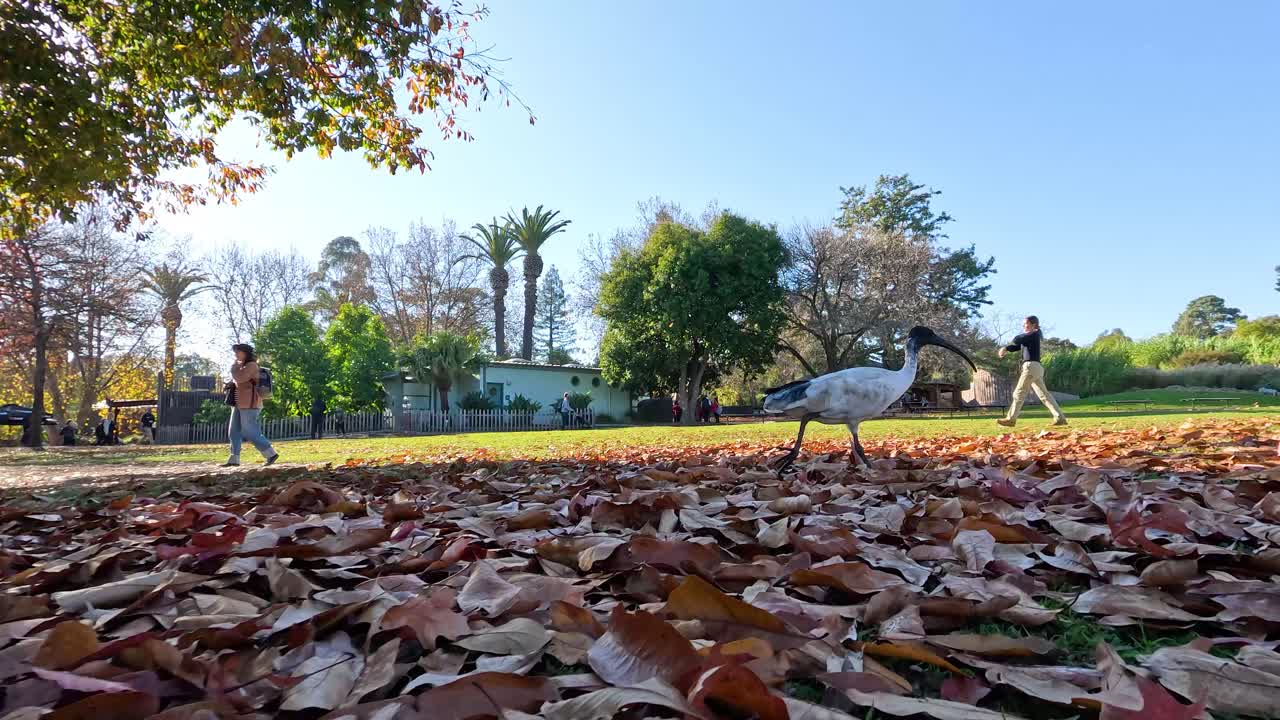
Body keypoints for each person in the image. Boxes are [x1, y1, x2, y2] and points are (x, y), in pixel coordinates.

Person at [997, 315, 1068, 427]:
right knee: (1044, 395)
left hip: (1031, 366)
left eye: (1025, 324)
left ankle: (1011, 419)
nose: (1023, 326)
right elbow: (1017, 346)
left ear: (1033, 324)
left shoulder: (1034, 334)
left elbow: (1016, 340)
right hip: (1036, 367)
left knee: (1019, 393)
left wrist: (1007, 346)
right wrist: (1006, 349)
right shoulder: (1032, 336)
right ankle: (1060, 418)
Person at [225, 343, 279, 466]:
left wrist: (233, 367)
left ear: (246, 353)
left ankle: (270, 453)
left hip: (250, 403)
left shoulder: (252, 365)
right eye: (235, 352)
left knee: (249, 431)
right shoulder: (242, 366)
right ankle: (234, 458)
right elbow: (238, 380)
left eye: (238, 351)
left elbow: (240, 378)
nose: (236, 354)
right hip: (239, 403)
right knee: (234, 431)